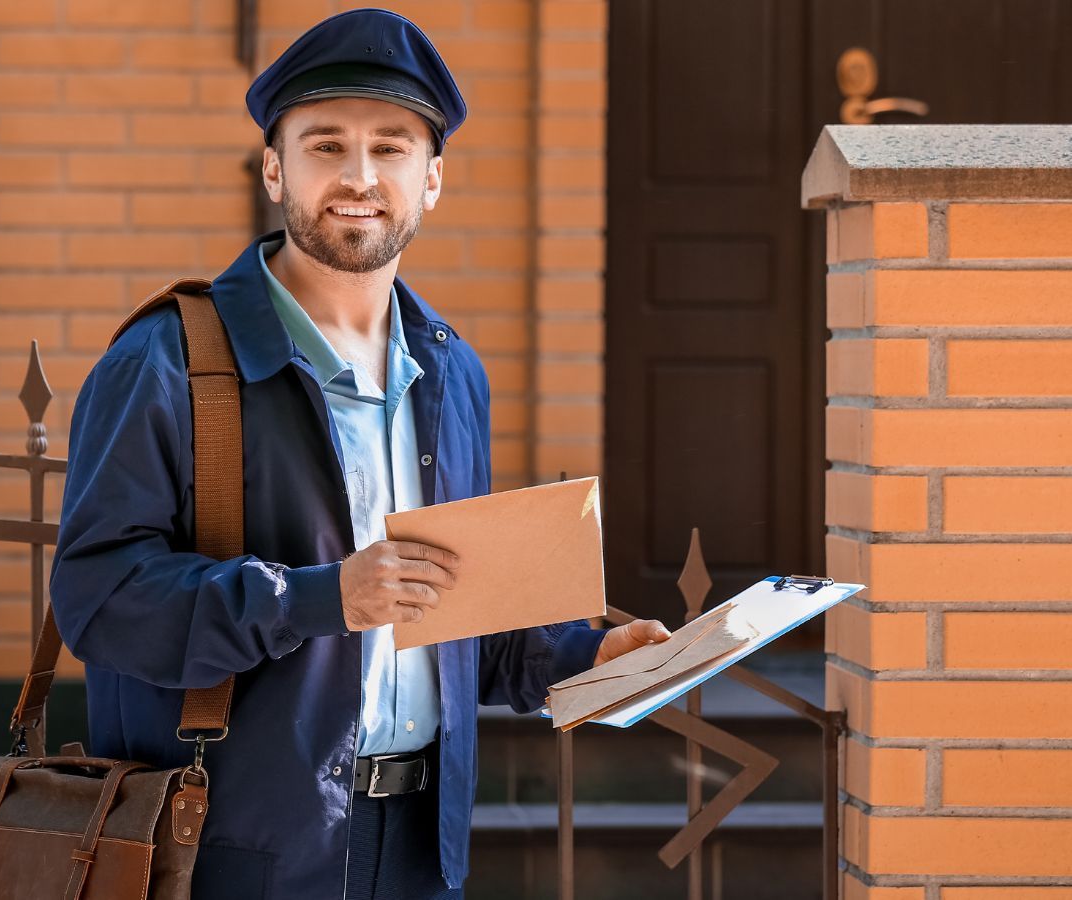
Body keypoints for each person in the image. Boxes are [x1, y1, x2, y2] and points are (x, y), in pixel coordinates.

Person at [49, 9, 670, 899]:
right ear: (275, 168)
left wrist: (588, 658)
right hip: (231, 853)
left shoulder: (452, 372)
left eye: (391, 147)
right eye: (326, 146)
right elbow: (100, 601)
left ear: (432, 179)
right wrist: (320, 598)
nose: (360, 176)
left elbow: (451, 614)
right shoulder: (166, 362)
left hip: (421, 852)